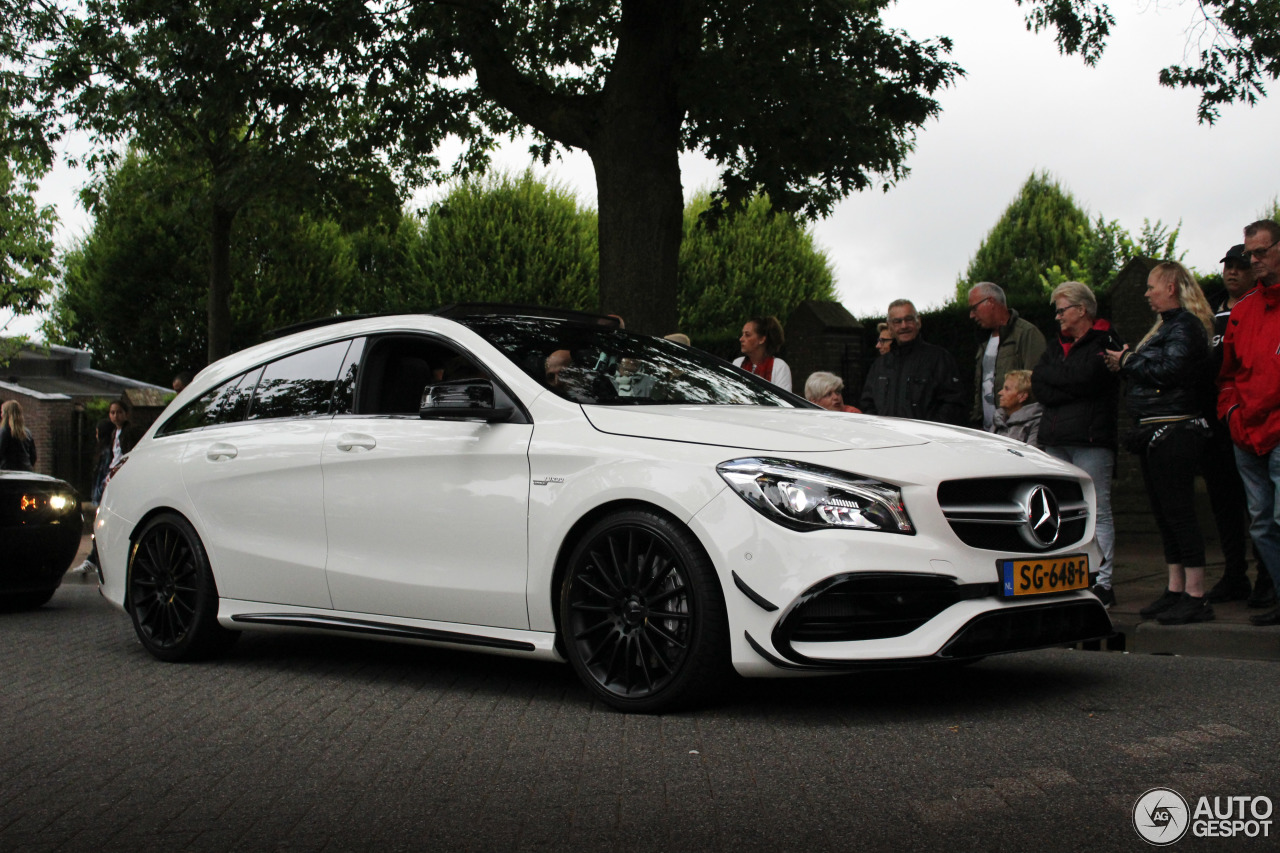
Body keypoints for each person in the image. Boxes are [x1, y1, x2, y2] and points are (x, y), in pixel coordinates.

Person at [1106, 262, 1216, 625]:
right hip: (1156, 430)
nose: (1146, 292)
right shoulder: (1168, 327)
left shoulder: (1185, 325)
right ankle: (1175, 589)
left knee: (1180, 513)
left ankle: (1196, 595)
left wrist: (1129, 360)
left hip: (1175, 431)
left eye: (1152, 286)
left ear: (1171, 286)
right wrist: (1128, 363)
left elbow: (1170, 372)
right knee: (1166, 516)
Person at [1032, 281, 1124, 607]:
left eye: (1062, 310)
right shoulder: (1058, 346)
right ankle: (1070, 577)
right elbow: (1038, 383)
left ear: (1081, 309)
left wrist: (1063, 380)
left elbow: (1089, 380)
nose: (1057, 317)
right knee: (1060, 513)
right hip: (1056, 440)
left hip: (1090, 439)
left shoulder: (1107, 341)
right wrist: (1068, 381)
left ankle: (1103, 581)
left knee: (1097, 510)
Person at [1202, 245, 1274, 607]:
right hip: (1219, 421)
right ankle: (1234, 574)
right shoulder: (1212, 310)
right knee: (1224, 503)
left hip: (1250, 423)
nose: (1231, 272)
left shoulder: (1255, 309)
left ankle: (1266, 577)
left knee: (1258, 507)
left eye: (1239, 266)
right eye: (1227, 266)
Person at [1218, 219, 1280, 627]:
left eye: (1260, 252)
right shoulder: (1241, 311)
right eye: (1249, 253)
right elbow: (1227, 376)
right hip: (1247, 434)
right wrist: (1232, 415)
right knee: (1261, 525)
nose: (1252, 260)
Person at [858, 299, 966, 424]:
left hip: (926, 439)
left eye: (908, 319)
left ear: (918, 322)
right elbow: (867, 403)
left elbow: (953, 402)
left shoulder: (938, 359)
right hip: (887, 438)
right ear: (890, 327)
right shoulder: (880, 365)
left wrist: (931, 431)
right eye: (897, 322)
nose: (904, 326)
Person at [966, 282, 1046, 430]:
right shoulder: (983, 339)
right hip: (990, 430)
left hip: (1019, 430)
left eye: (974, 308)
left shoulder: (1026, 333)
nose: (971, 315)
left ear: (990, 302)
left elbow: (1036, 384)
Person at [734, 316, 792, 391]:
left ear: (761, 339)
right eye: (742, 334)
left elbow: (783, 400)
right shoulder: (738, 363)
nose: (741, 339)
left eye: (747, 335)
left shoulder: (779, 367)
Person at [991, 369, 1042, 446]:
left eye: (1007, 389)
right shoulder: (999, 418)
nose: (1000, 393)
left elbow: (1031, 455)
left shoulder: (1037, 424)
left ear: (1022, 396)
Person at [0, 400, 37, 471]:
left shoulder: (4, 431)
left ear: (6, 414)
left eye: (2, 412)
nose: (1, 415)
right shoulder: (27, 432)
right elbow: (33, 457)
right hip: (26, 471)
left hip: (8, 472)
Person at [90, 418, 114, 503]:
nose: (96, 436)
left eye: (97, 433)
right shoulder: (106, 451)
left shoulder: (105, 452)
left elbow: (104, 472)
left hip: (102, 496)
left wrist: (99, 492)